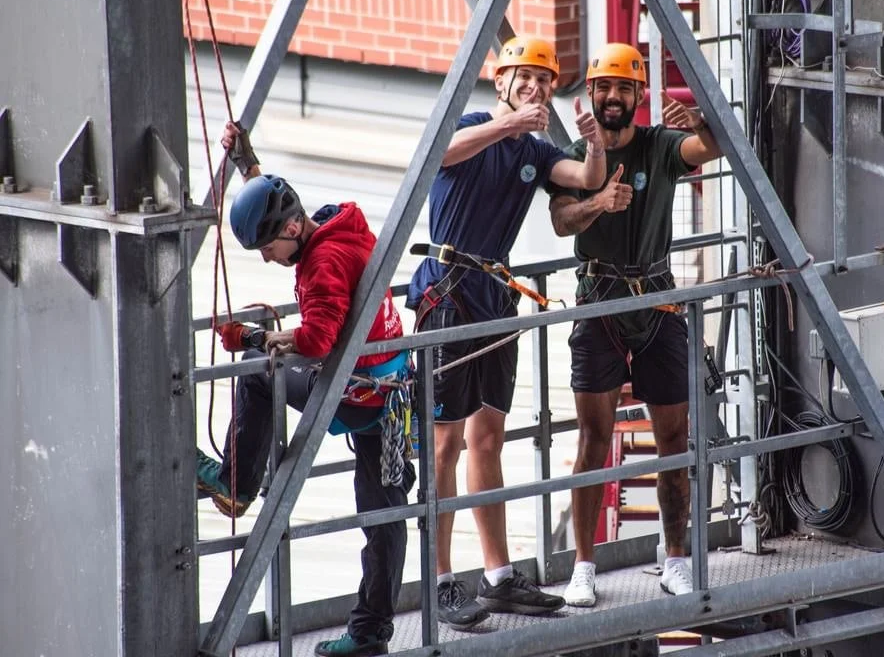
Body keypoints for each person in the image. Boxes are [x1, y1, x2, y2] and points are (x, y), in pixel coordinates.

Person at [405, 36, 610, 629]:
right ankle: (441, 582)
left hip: (494, 296)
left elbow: (586, 176)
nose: (536, 87)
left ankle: (497, 577)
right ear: (501, 82)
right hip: (448, 294)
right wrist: (509, 125)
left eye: (545, 81)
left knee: (488, 439)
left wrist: (595, 141)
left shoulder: (537, 151)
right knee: (443, 445)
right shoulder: (473, 126)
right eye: (526, 77)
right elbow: (438, 154)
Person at [195, 124, 412, 657]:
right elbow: (277, 207)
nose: (267, 258)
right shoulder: (342, 224)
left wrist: (252, 336)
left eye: (268, 248)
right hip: (388, 389)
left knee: (255, 369)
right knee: (383, 515)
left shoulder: (322, 263)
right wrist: (247, 164)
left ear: (293, 229)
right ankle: (371, 633)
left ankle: (237, 483)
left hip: (355, 393)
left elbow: (316, 340)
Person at [548, 43, 721, 608]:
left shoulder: (660, 145)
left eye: (624, 88)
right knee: (593, 440)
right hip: (598, 305)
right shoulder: (577, 155)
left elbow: (713, 148)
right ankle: (583, 566)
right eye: (604, 87)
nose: (613, 97)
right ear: (591, 93)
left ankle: (676, 559)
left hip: (658, 303)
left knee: (672, 439)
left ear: (639, 95)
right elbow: (561, 220)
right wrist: (600, 203)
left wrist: (698, 118)